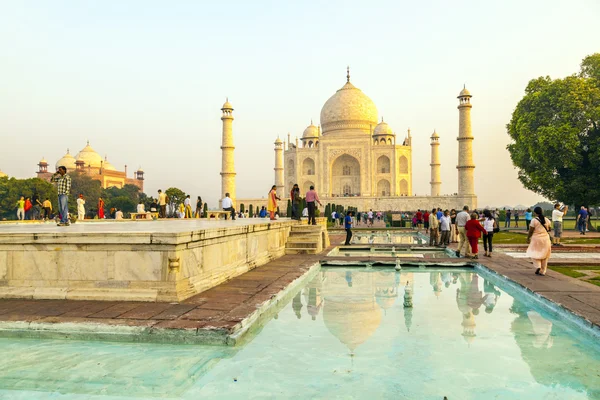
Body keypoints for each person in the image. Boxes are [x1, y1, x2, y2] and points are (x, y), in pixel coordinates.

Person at [527, 206, 552, 276]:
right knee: (545, 255)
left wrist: (528, 238)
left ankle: (538, 266)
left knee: (534, 253)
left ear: (535, 213)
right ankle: (543, 271)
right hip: (545, 239)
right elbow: (549, 229)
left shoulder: (534, 220)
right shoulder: (547, 220)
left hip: (536, 239)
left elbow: (531, 231)